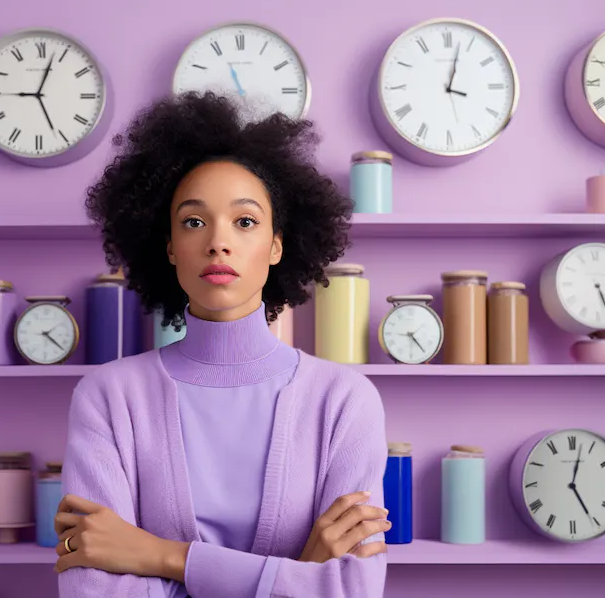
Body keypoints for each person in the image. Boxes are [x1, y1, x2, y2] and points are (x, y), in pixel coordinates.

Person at [53, 91, 390, 598]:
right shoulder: (109, 397)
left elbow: (351, 591)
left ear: (277, 245)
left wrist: (158, 556)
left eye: (245, 220)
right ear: (169, 246)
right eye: (193, 221)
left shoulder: (344, 400)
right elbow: (93, 593)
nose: (218, 241)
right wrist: (297, 574)